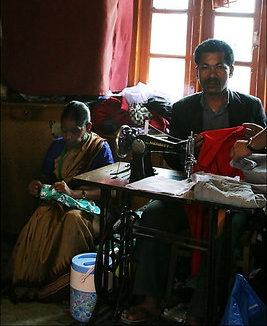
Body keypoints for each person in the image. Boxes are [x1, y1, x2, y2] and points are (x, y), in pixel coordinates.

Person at [121, 39, 266, 325]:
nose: (212, 74)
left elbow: (262, 155)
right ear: (197, 71)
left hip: (234, 197)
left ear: (231, 70)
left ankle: (199, 312)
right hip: (192, 192)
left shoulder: (250, 107)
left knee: (222, 228)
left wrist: (250, 140)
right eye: (205, 67)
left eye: (219, 67)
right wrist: (193, 151)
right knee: (151, 217)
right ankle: (149, 300)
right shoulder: (183, 109)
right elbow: (176, 158)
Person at [9, 101, 114, 302]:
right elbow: (46, 177)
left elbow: (108, 192)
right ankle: (34, 279)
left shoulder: (100, 149)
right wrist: (38, 185)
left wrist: (74, 193)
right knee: (43, 216)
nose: (68, 137)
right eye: (64, 131)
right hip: (59, 203)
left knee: (72, 220)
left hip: (89, 209)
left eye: (74, 131)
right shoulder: (58, 146)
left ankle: (65, 284)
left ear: (88, 127)